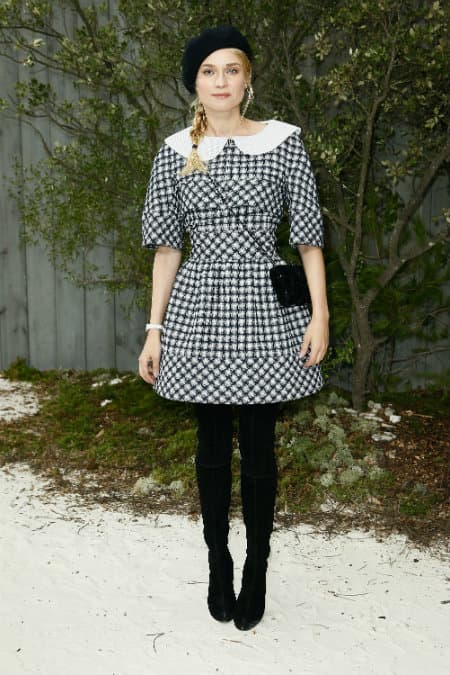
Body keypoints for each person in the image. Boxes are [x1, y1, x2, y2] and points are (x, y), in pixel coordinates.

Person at [138, 25, 329, 631]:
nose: (220, 81)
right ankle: (218, 559)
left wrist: (320, 314)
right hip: (199, 306)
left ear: (248, 79)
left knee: (260, 444)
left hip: (267, 308)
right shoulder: (174, 150)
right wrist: (154, 328)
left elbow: (308, 239)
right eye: (208, 71)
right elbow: (167, 248)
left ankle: (257, 566)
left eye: (231, 69)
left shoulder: (283, 142)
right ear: (194, 83)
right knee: (212, 444)